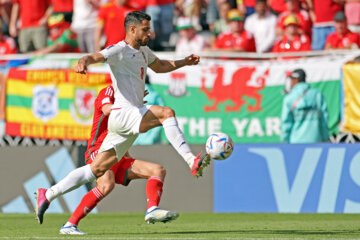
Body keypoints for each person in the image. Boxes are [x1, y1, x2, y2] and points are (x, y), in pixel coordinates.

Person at [34, 11, 210, 225]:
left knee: (95, 170)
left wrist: (185, 62)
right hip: (125, 112)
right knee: (167, 113)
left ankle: (48, 194)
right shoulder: (119, 50)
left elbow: (162, 66)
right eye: (145, 29)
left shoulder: (144, 51)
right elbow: (95, 56)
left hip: (123, 121)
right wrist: (84, 62)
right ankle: (191, 161)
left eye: (149, 28)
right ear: (132, 29)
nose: (150, 33)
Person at [59, 85, 177, 235]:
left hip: (117, 154)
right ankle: (70, 224)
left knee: (158, 170)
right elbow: (107, 109)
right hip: (99, 150)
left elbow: (123, 134)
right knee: (106, 185)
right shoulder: (108, 91)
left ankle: (152, 209)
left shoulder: (129, 102)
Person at [281, 68, 329, 143]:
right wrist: (325, 139)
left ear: (296, 80)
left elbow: (286, 123)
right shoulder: (317, 95)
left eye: (291, 80)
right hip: (316, 141)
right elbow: (324, 120)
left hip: (296, 142)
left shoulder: (289, 98)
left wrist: (285, 142)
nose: (290, 82)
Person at [134, 75, 164, 145]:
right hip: (151, 141)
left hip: (133, 140)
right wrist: (152, 138)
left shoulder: (133, 96)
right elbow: (162, 117)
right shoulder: (155, 96)